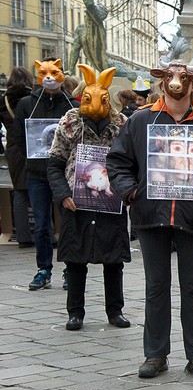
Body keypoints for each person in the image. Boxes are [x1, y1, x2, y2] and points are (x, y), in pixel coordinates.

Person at [107, 61, 193, 378]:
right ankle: (155, 355)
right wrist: (131, 192)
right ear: (161, 83)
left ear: (192, 84)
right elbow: (118, 161)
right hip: (151, 215)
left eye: (181, 79)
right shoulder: (140, 121)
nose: (175, 84)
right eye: (169, 78)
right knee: (156, 286)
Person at [46, 64, 131, 331]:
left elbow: (131, 162)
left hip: (110, 201)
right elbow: (55, 163)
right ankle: (76, 312)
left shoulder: (121, 125)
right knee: (75, 260)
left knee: (113, 261)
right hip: (76, 203)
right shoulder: (69, 122)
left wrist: (126, 190)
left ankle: (114, 310)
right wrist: (62, 195)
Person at [12, 59, 77, 291]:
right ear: (38, 75)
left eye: (54, 73)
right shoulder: (26, 104)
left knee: (69, 222)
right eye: (44, 73)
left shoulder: (72, 104)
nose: (49, 77)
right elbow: (18, 136)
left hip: (64, 175)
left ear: (61, 75)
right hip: (37, 173)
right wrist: (30, 156)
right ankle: (44, 269)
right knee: (41, 223)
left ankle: (71, 269)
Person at [1, 66, 35, 247]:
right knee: (40, 190)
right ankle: (47, 234)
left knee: (20, 193)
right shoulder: (33, 98)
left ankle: (23, 237)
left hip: (14, 149)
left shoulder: (4, 100)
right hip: (33, 146)